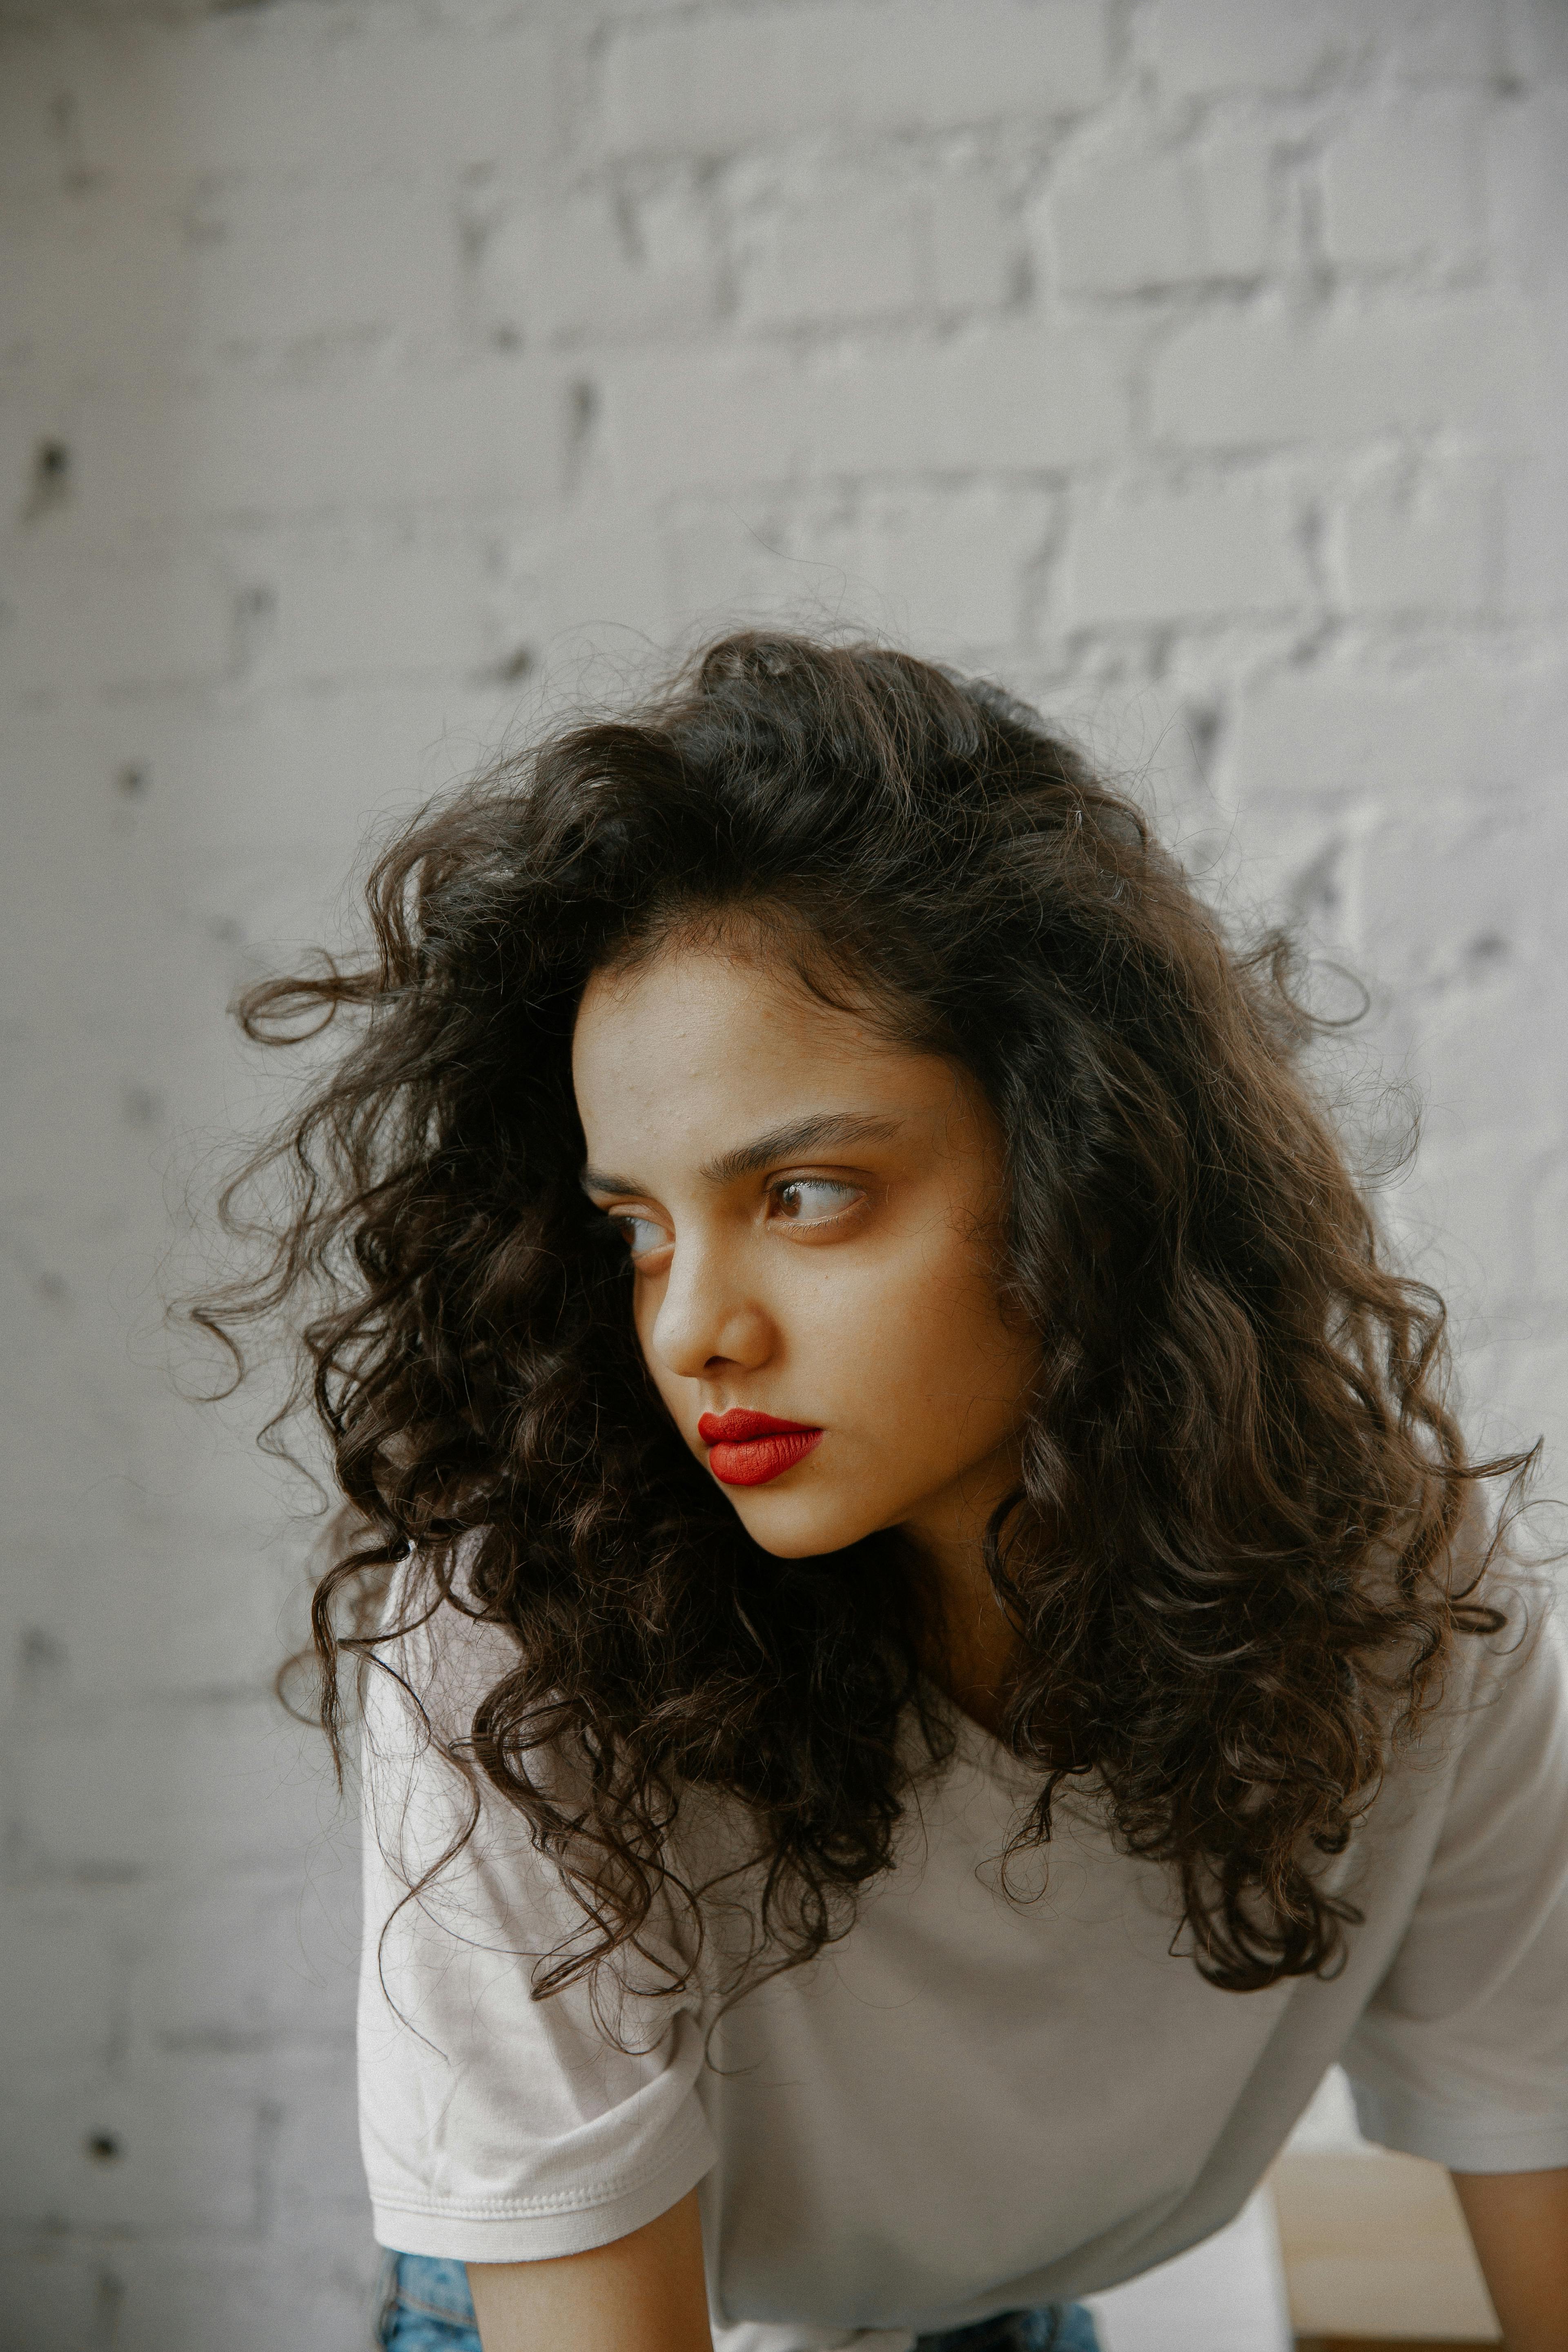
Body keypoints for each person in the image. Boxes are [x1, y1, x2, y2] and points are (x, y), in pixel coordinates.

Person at [204, 635, 1568, 2352]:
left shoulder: (1417, 1613)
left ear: (1087, 1165)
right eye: (638, 1227)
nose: (695, 1326)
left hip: (988, 2314)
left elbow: (1538, 2171)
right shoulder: (524, 1647)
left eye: (810, 1193)